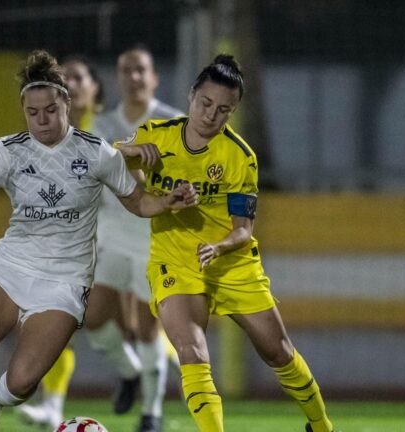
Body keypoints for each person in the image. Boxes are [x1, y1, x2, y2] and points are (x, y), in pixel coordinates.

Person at [0, 49, 197, 432]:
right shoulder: (7, 151)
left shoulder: (96, 151)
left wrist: (167, 202)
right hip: (11, 270)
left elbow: (137, 202)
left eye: (50, 110)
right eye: (33, 112)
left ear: (66, 103)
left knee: (23, 382)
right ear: (24, 110)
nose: (42, 120)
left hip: (65, 282)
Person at [115, 54, 336, 432]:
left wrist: (219, 247)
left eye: (223, 110)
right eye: (205, 104)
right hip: (175, 259)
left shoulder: (240, 157)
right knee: (192, 351)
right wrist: (132, 154)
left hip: (230, 262)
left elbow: (243, 230)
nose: (211, 116)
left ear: (232, 112)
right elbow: (107, 158)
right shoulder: (156, 134)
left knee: (278, 351)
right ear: (191, 96)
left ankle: (322, 426)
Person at [17, 47, 183, 432]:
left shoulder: (171, 122)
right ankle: (130, 373)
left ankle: (151, 414)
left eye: (141, 69)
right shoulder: (104, 126)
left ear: (154, 76)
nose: (134, 76)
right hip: (110, 235)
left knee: (145, 325)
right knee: (91, 317)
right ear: (118, 78)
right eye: (126, 70)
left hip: (155, 237)